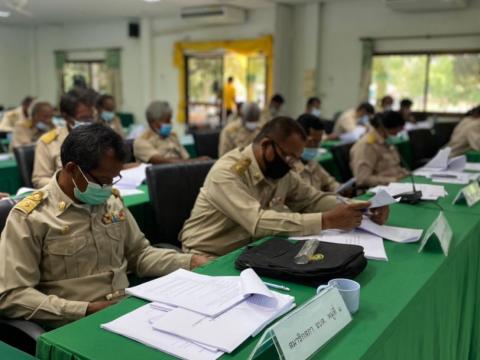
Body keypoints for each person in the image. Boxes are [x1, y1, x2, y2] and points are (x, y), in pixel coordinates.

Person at [0, 124, 208, 328]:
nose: (107, 188)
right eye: (101, 180)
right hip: (71, 323)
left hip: (125, 312)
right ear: (72, 169)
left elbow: (139, 255)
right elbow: (12, 295)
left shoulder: (111, 202)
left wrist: (191, 261)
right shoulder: (32, 216)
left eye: (113, 179)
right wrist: (85, 309)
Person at [180, 117, 389, 257]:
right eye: (289, 157)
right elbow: (258, 222)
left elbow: (313, 199)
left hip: (248, 250)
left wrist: (360, 207)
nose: (292, 164)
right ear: (266, 146)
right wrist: (326, 220)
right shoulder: (227, 173)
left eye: (295, 158)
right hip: (206, 255)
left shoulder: (279, 170)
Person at [32, 91, 95, 188]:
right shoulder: (48, 142)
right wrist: (69, 184)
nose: (88, 122)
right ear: (66, 117)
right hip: (64, 197)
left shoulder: (99, 136)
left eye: (91, 118)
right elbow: (40, 180)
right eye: (84, 119)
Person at [350, 111, 409, 187]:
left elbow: (394, 166)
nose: (396, 135)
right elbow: (362, 179)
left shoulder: (386, 141)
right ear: (382, 128)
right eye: (394, 132)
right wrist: (393, 180)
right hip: (378, 190)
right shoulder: (366, 146)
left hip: (395, 185)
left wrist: (404, 173)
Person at [297, 114, 340, 192]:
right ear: (298, 138)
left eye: (318, 142)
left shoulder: (312, 162)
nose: (316, 146)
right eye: (312, 141)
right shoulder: (289, 169)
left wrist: (340, 189)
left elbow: (329, 182)